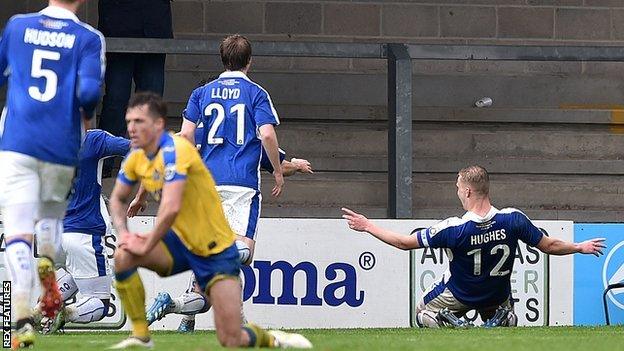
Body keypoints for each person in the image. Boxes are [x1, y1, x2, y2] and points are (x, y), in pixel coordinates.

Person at [108, 92, 311, 349]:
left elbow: (170, 208)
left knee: (232, 339)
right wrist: (125, 233)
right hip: (181, 243)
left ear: (158, 124)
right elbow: (117, 199)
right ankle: (140, 337)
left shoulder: (178, 149)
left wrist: (146, 244)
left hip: (214, 248)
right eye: (129, 121)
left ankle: (272, 339)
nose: (131, 128)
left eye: (139, 121)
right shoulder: (136, 157)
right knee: (123, 255)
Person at [342, 165, 606, 328]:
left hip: (460, 295)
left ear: (467, 191)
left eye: (458, 187)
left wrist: (368, 226)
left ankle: (454, 327)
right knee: (498, 306)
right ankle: (504, 318)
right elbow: (548, 245)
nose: (457, 192)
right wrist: (579, 246)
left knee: (422, 310)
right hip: (496, 296)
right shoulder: (513, 219)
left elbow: (403, 243)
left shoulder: (454, 228)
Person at [0, 1, 105, 348]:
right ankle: (48, 266)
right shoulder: (87, 37)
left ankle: (21, 318)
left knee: (17, 233)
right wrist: (85, 114)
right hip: (60, 146)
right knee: (48, 225)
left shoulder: (17, 26)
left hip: (16, 142)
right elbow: (89, 92)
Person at [36, 129, 130, 334]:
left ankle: (42, 308)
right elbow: (134, 148)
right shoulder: (93, 139)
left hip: (49, 232)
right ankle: (65, 312)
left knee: (75, 271)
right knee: (100, 302)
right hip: (83, 229)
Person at [97, 0, 172, 177]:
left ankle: (149, 161)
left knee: (152, 102)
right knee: (116, 101)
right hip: (118, 25)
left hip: (154, 27)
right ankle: (104, 163)